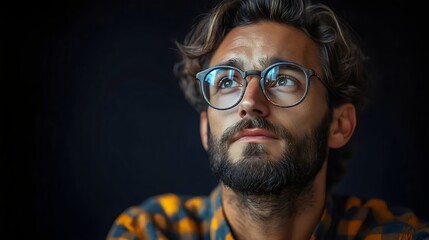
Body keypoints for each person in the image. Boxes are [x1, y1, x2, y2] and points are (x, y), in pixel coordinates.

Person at [106, 0, 429, 239]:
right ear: (206, 129)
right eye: (226, 81)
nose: (249, 101)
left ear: (339, 125)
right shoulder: (150, 231)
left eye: (284, 79)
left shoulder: (397, 234)